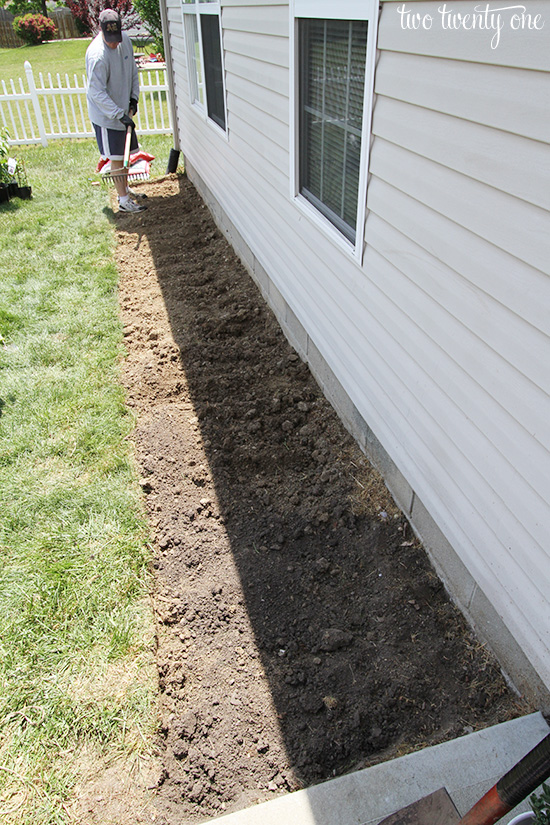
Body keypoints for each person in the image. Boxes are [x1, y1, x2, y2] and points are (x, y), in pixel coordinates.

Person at [86, 9, 147, 213]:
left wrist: (133, 98)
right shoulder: (97, 56)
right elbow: (97, 93)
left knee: (126, 154)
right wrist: (118, 114)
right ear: (102, 32)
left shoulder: (125, 41)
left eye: (116, 38)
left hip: (122, 110)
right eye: (110, 39)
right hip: (107, 116)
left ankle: (125, 189)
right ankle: (123, 200)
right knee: (117, 158)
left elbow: (132, 73)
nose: (114, 43)